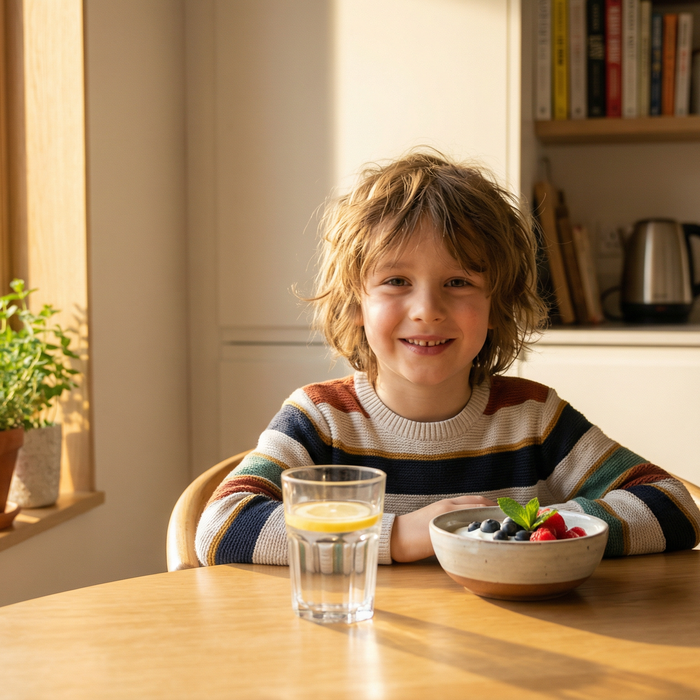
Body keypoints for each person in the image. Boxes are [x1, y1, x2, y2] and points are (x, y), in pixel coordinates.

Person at [195, 150, 700, 566]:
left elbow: (674, 505)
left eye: (459, 283)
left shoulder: (532, 419)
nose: (427, 311)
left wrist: (526, 534)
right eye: (396, 281)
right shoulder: (321, 421)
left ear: (497, 307)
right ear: (355, 305)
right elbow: (222, 526)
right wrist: (398, 535)